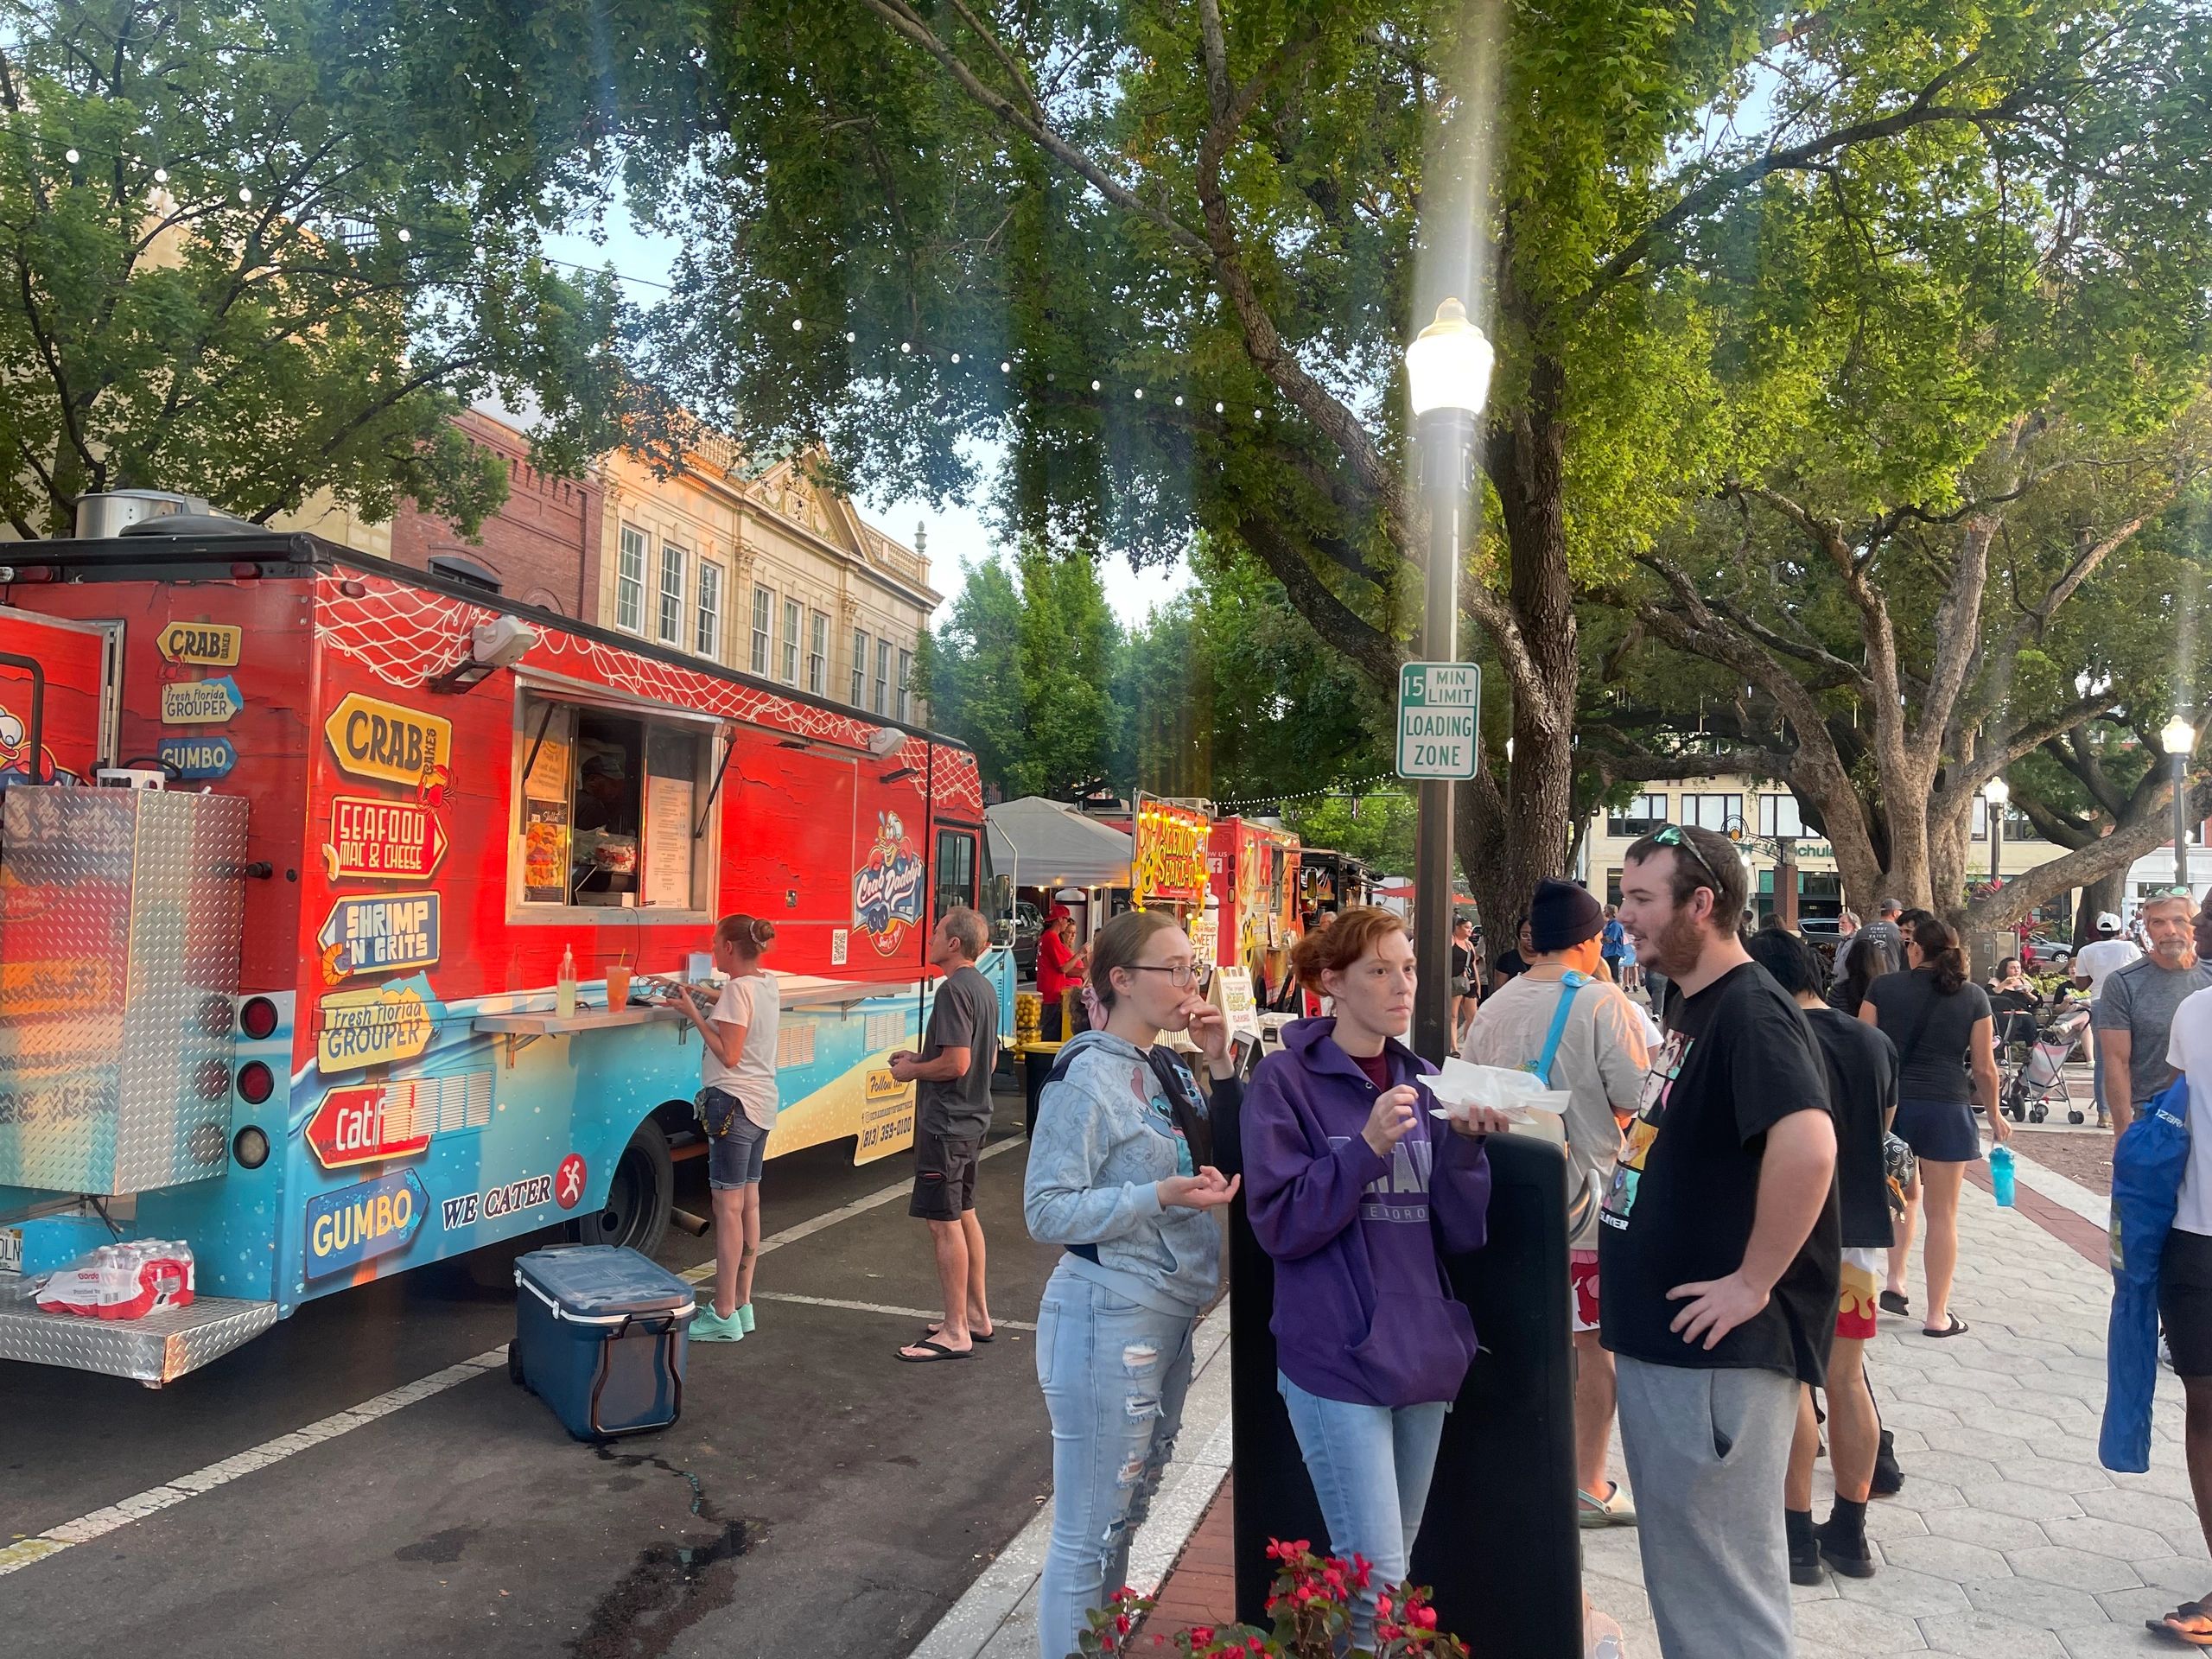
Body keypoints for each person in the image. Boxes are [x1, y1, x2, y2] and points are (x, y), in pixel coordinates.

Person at [1603, 823, 1840, 1659]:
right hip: (1675, 1350)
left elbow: (1809, 1147)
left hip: (1714, 1360)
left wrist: (1751, 1281)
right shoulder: (1692, 1001)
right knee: (1693, 1583)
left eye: (1640, 899)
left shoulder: (1750, 1011)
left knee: (1722, 1597)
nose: (1623, 916)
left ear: (1701, 904)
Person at [1243, 906, 1510, 1646]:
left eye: (1410, 968)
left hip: (1421, 1348)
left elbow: (1458, 1233)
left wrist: (1462, 1150)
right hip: (1333, 1353)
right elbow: (1279, 1224)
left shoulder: (1426, 1081)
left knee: (1395, 1569)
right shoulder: (1284, 1081)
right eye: (1380, 971)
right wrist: (1361, 1149)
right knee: (1377, 1578)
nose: (1403, 987)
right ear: (1332, 982)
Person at [1023, 909, 1243, 1659]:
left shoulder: (1167, 1065)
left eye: (1193, 968)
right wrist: (1158, 1197)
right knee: (1089, 1532)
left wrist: (1219, 1062)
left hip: (1168, 1310)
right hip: (1105, 1314)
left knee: (1126, 1513)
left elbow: (1225, 1161)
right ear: (1120, 980)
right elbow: (1046, 1208)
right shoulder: (1086, 1076)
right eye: (1173, 969)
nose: (1190, 984)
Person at [1461, 877, 1649, 1528]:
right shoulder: (1603, 1003)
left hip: (1505, 1203)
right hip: (1584, 1208)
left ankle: (1521, 1468)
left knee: (1521, 1341)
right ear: (1592, 941)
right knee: (1593, 1349)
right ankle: (1586, 1484)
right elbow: (1640, 1095)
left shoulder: (1493, 1005)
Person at [1745, 927, 1897, 1586]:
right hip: (1862, 1229)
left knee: (1793, 1382)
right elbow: (1884, 1127)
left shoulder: (1770, 1038)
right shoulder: (1870, 1039)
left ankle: (1795, 1533)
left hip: (1790, 1231)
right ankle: (1852, 1531)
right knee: (1847, 1375)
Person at [1863, 915, 2006, 1337]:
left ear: (1915, 949)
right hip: (1947, 1107)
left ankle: (1894, 1280)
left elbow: (1863, 1048)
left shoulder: (1882, 988)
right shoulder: (1974, 997)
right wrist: (1996, 1115)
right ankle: (1937, 1315)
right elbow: (1985, 1068)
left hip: (1891, 1108)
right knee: (1942, 1214)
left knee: (1898, 1197)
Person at [662, 914, 780, 1342]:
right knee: (749, 1202)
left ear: (730, 948)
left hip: (731, 1102)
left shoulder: (736, 991)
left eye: (715, 943)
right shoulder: (765, 984)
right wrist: (706, 995)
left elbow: (728, 1054)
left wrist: (693, 1010)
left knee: (725, 1208)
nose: (712, 949)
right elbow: (738, 1006)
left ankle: (724, 1311)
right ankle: (743, 1304)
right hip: (761, 1104)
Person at [892, 906, 1001, 1362]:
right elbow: (985, 1061)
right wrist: (921, 1056)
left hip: (947, 1123)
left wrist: (913, 1070)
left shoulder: (953, 990)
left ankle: (955, 1330)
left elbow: (957, 1064)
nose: (930, 937)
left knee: (944, 1223)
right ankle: (975, 1316)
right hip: (973, 1118)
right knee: (965, 1213)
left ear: (954, 943)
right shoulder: (983, 987)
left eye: (936, 931)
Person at [2096, 888, 2211, 1138]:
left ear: (2195, 924)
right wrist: (2124, 1134)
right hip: (2155, 1117)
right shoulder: (2124, 983)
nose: (2170, 930)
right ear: (2147, 929)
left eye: (2179, 920)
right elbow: (2116, 1062)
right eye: (2158, 922)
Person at [2076, 912, 2146, 1128]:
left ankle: (2103, 1113)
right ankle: (2134, 1109)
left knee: (2103, 1060)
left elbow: (2081, 985)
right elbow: (2141, 974)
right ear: (2118, 931)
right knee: (2133, 1057)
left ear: (2097, 931)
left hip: (2100, 1001)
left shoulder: (2086, 951)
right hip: (2128, 1003)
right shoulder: (2129, 948)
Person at [1036, 905, 1085, 1041]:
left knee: (1049, 1029)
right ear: (1060, 919)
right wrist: (1079, 955)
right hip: (1052, 992)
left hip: (1050, 991)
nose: (1067, 923)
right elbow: (1063, 968)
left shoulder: (1048, 937)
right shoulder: (1051, 938)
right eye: (1067, 919)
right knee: (1051, 1032)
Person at [1987, 956, 2042, 1049]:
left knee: (2029, 1021)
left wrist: (2028, 994)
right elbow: (1989, 995)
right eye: (2012, 968)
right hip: (2002, 1013)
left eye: (2018, 968)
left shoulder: (2024, 982)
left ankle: (2031, 1050)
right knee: (2007, 1021)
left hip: (2021, 1013)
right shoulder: (1996, 981)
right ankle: (2003, 1050)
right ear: (2004, 969)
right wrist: (2004, 984)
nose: (2016, 970)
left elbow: (2039, 1002)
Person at [1449, 916, 1481, 1049]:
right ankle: (1454, 1047)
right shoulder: (1451, 941)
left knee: (1473, 1017)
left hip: (1470, 982)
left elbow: (1474, 965)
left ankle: (1468, 1045)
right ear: (1457, 928)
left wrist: (1478, 984)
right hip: (1456, 982)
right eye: (1466, 927)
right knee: (1453, 1016)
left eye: (1470, 927)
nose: (1469, 930)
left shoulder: (1469, 944)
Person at [1492, 914, 1535, 987]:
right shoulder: (1506, 960)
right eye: (1525, 935)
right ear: (1518, 936)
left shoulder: (1551, 959)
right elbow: (1500, 992)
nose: (1530, 939)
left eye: (1534, 934)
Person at [1601, 905, 1628, 983]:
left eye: (1605, 910)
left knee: (1614, 976)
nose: (1604, 912)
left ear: (1610, 912)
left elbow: (1610, 939)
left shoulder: (1615, 924)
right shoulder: (1609, 924)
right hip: (1608, 953)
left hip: (1614, 953)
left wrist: (1601, 938)